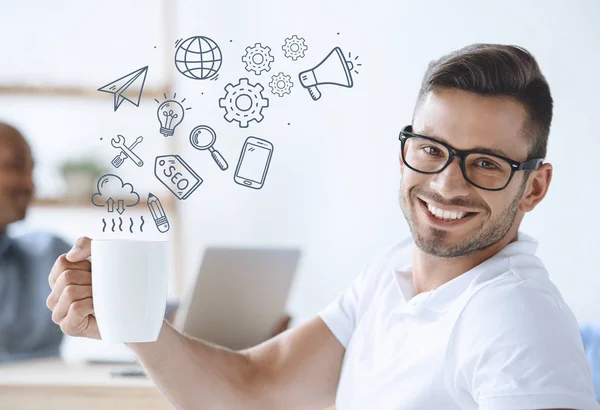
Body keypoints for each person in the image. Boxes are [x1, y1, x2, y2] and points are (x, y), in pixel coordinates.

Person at [46, 44, 599, 409]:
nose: (448, 184)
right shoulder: (392, 275)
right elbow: (255, 390)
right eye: (431, 149)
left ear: (534, 186)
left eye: (485, 163)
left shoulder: (513, 317)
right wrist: (133, 320)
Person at [0, 122, 71, 362]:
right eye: (16, 167)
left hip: (48, 397)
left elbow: (151, 314)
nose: (30, 185)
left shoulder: (51, 255)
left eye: (31, 170)